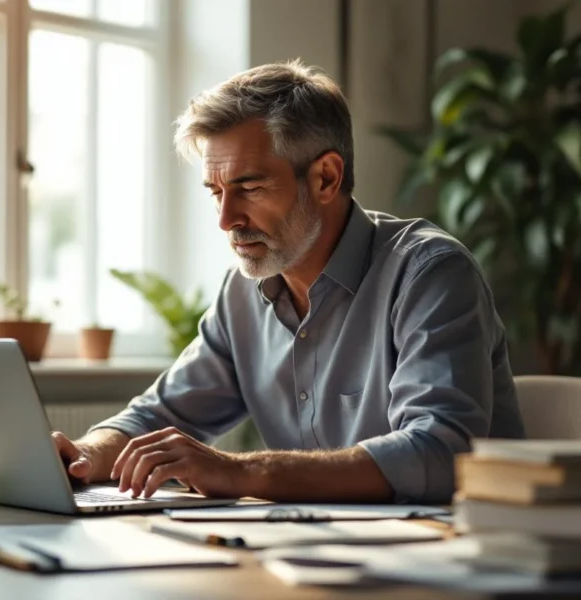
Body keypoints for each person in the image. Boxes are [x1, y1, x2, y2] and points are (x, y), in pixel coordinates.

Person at [52, 60, 526, 504]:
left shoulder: (429, 272)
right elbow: (157, 418)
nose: (226, 220)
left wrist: (242, 472)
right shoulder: (241, 294)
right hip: (314, 554)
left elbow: (441, 453)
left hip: (457, 563)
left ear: (325, 177)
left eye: (250, 188)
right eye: (216, 192)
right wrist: (85, 456)